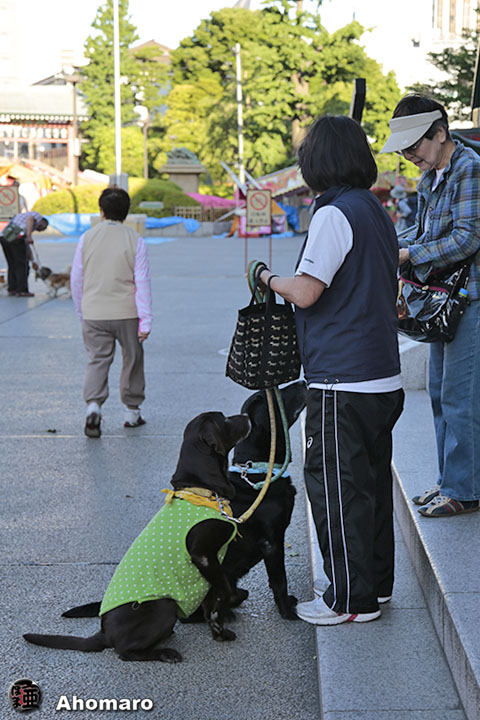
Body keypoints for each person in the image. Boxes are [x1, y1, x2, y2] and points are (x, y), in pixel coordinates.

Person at [257, 115, 404, 625]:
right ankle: (374, 587)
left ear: (317, 162)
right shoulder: (374, 209)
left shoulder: (333, 213)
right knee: (370, 489)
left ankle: (347, 600)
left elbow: (306, 291)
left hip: (342, 379)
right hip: (382, 375)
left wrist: (267, 277)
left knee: (337, 490)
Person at [381, 93, 480, 517]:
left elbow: (467, 238)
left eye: (413, 146)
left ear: (440, 133)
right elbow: (421, 232)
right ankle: (449, 481)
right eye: (403, 150)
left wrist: (408, 255)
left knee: (460, 396)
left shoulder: (470, 168)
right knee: (440, 392)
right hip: (445, 300)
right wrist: (385, 242)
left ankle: (464, 489)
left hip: (470, 298)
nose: (409, 156)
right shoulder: (432, 176)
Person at [70, 187, 152, 438]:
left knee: (98, 359)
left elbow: (76, 278)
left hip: (94, 311)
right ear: (127, 212)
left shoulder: (87, 238)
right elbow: (142, 282)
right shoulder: (135, 240)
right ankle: (132, 412)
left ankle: (93, 407)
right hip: (127, 312)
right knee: (133, 359)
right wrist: (145, 321)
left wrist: (82, 310)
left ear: (101, 211)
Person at [0, 211, 48, 296]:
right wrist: (29, 236)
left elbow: (26, 246)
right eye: (42, 229)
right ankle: (22, 290)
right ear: (43, 223)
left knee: (12, 264)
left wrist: (33, 261)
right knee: (22, 266)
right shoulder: (37, 217)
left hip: (5, 237)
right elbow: (30, 219)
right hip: (16, 238)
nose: (39, 231)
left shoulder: (23, 220)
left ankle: (12, 289)